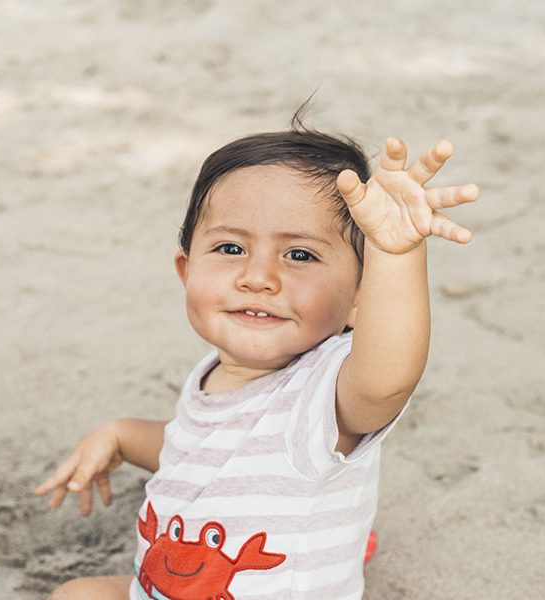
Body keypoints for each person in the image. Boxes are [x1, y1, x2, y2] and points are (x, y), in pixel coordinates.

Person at [35, 112, 479, 599]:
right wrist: (119, 435)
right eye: (230, 247)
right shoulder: (215, 375)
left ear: (359, 299)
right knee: (79, 594)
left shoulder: (323, 396)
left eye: (300, 255)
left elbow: (387, 378)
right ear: (186, 271)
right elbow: (201, 451)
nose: (259, 277)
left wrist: (395, 255)